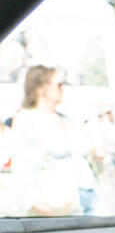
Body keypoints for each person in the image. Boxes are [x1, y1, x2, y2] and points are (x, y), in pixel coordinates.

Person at [7, 65, 97, 215]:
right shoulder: (27, 119)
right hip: (56, 205)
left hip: (86, 196)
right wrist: (32, 201)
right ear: (40, 88)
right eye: (59, 84)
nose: (63, 88)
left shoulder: (67, 119)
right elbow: (23, 163)